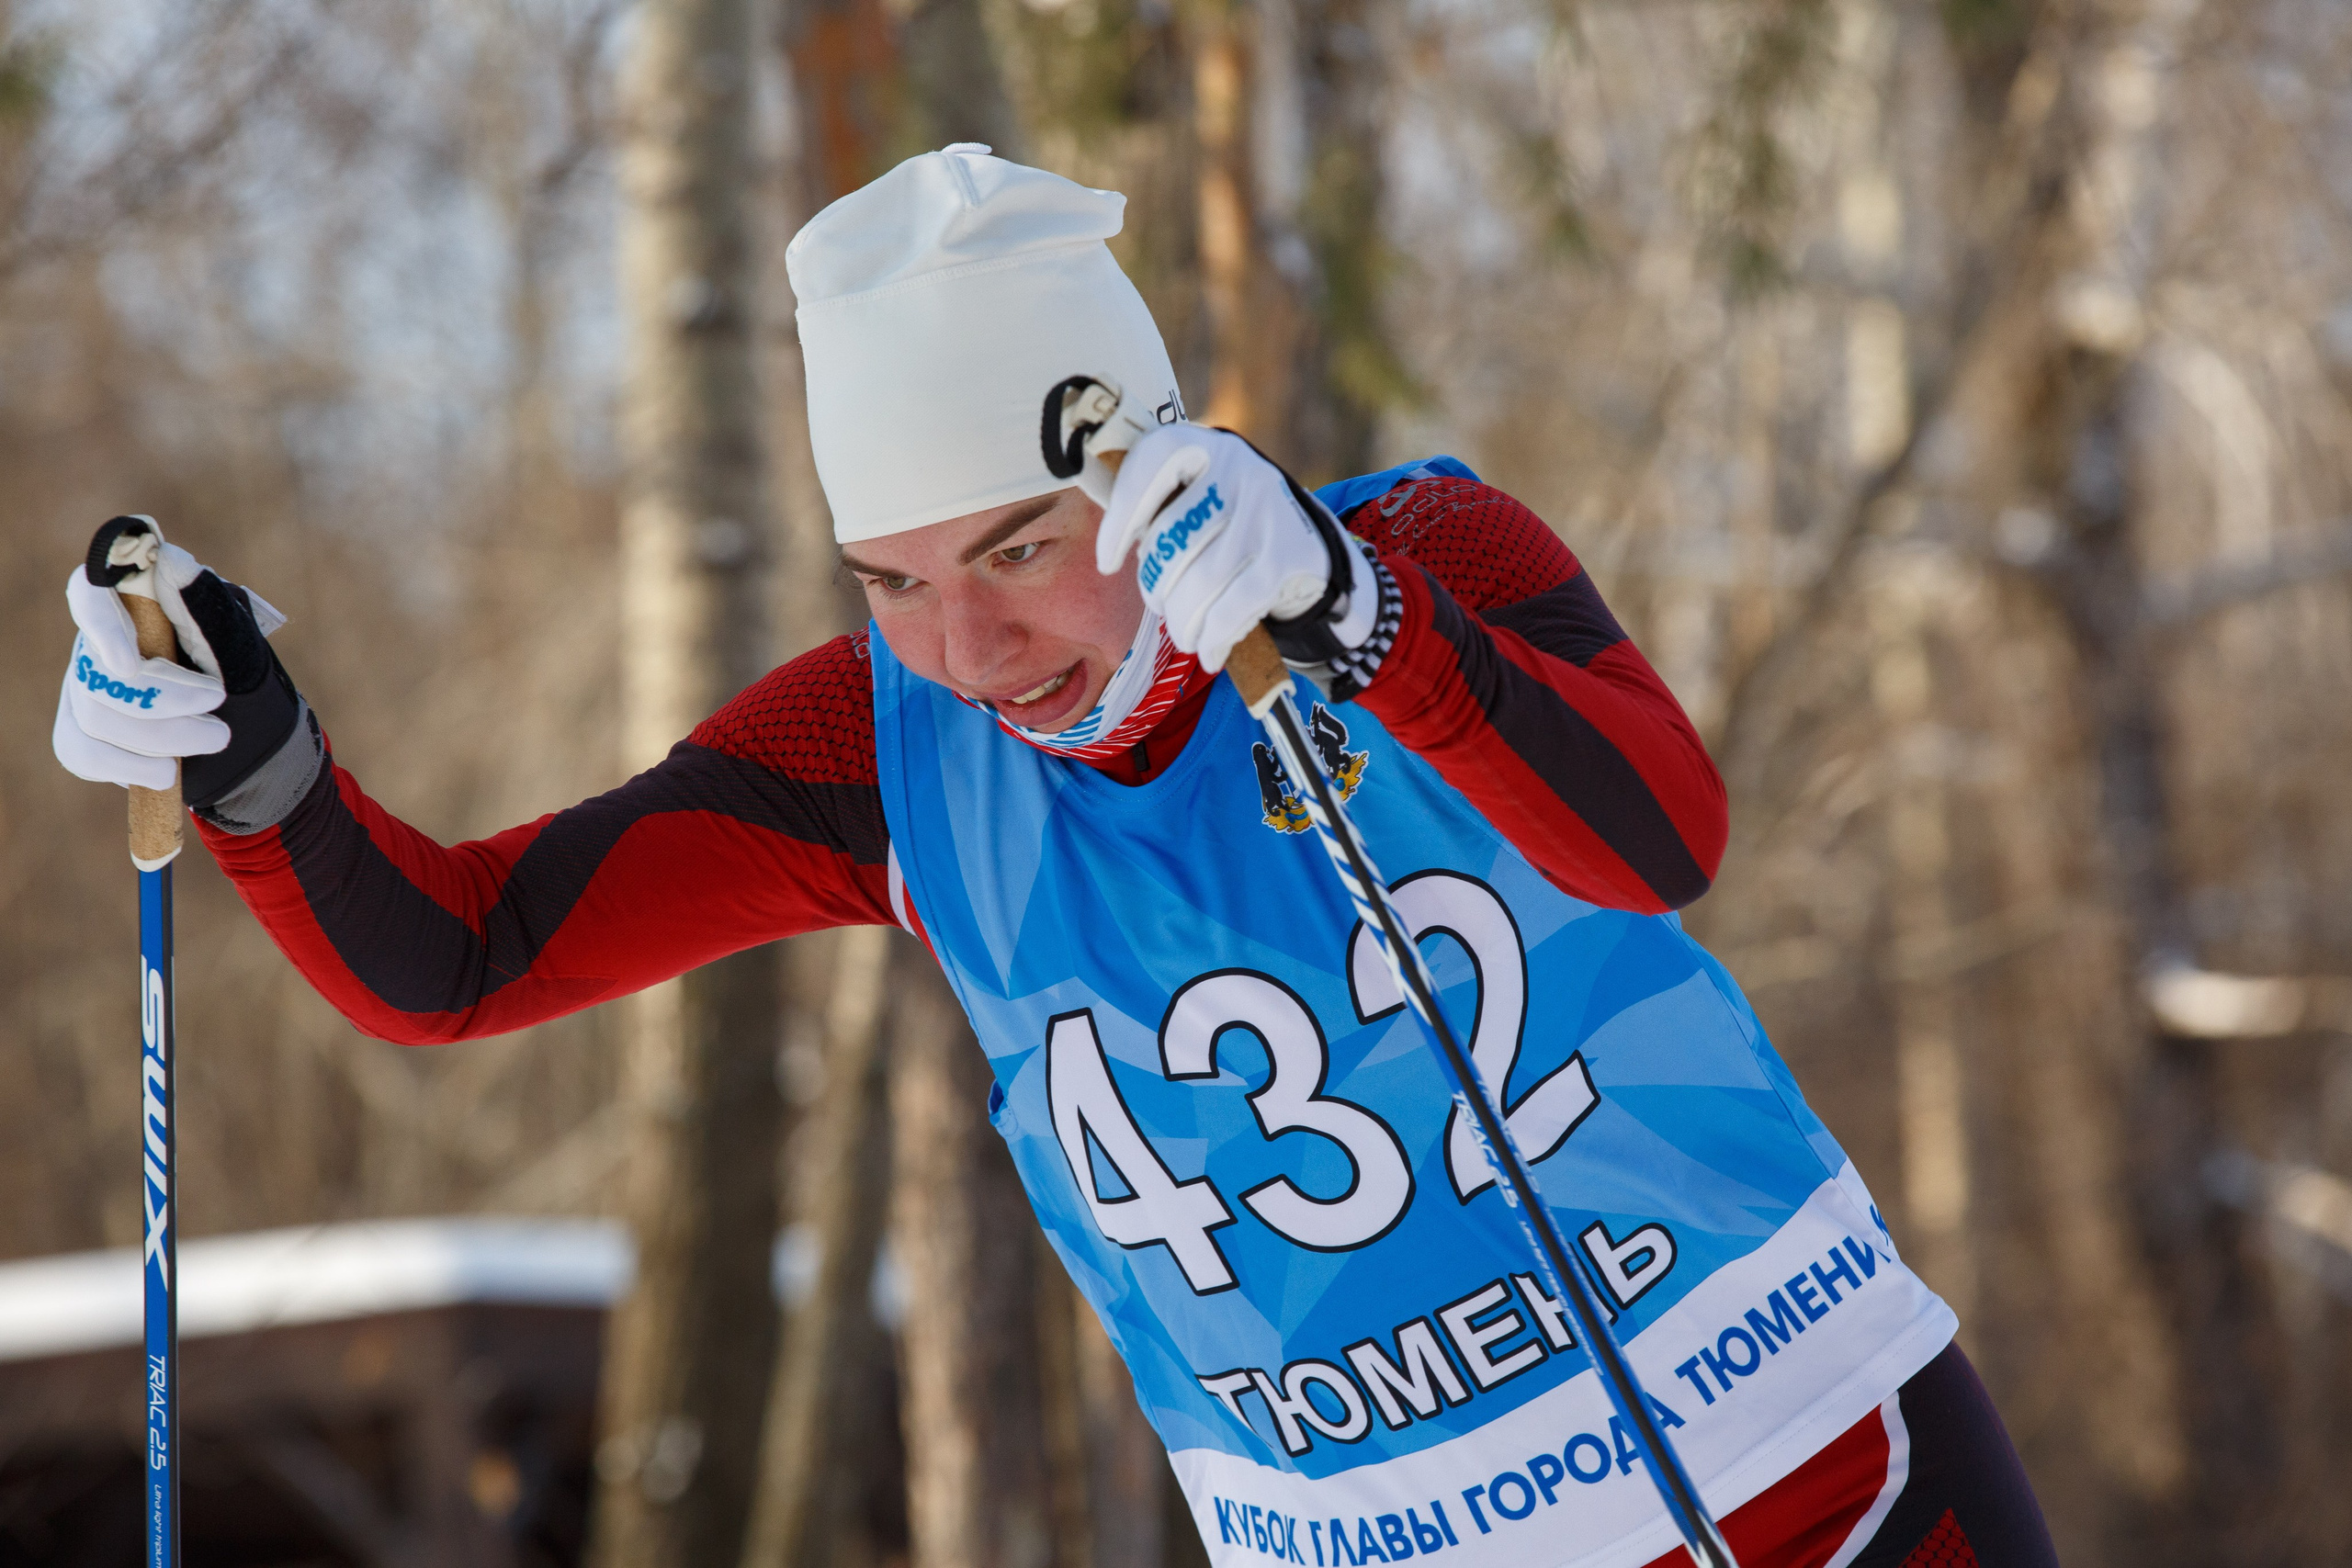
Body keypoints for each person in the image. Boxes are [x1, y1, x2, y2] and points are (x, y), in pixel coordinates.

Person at [54, 144, 2056, 1568]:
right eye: (894, 579)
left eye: (1019, 545)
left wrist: (1363, 621)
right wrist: (254, 763)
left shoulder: (1420, 555)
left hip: (1803, 1462)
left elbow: (1658, 835)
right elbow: (460, 953)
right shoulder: (876, 746)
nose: (970, 644)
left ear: (1137, 454)